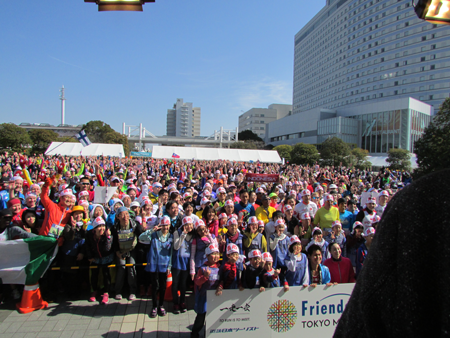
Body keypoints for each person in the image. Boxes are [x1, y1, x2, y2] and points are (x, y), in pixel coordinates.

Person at [140, 216, 173, 318]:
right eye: (163, 225)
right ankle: (154, 306)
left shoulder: (171, 237)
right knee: (155, 286)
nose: (165, 228)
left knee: (163, 286)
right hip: (154, 265)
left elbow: (171, 253)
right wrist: (150, 231)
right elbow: (141, 238)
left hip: (164, 265)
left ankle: (161, 305)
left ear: (169, 226)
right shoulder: (154, 235)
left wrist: (169, 266)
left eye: (167, 225)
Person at [191, 243, 221, 338]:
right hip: (204, 298)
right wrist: (205, 277)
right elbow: (197, 282)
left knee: (212, 317)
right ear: (207, 256)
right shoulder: (203, 268)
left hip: (215, 297)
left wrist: (220, 286)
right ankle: (194, 334)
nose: (216, 256)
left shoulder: (220, 268)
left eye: (217, 254)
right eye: (213, 254)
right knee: (201, 318)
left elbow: (222, 280)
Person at [84, 216, 113, 304]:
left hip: (106, 256)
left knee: (106, 274)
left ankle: (106, 292)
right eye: (99, 226)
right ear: (95, 228)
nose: (102, 228)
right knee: (94, 274)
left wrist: (108, 238)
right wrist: (90, 257)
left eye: (103, 226)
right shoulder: (89, 234)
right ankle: (94, 291)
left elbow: (108, 249)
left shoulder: (107, 235)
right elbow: (87, 246)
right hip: (95, 257)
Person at [112, 206, 138, 301]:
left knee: (131, 268)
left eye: (126, 214)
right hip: (121, 251)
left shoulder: (134, 224)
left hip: (131, 250)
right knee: (121, 268)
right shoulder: (115, 227)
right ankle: (118, 291)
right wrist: (117, 252)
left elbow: (140, 234)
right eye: (122, 214)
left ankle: (132, 291)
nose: (125, 216)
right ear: (118, 216)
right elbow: (114, 241)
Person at [172, 216, 194, 314]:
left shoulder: (193, 235)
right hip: (177, 261)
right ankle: (175, 302)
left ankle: (182, 301)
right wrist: (183, 235)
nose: (189, 227)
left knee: (183, 283)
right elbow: (176, 247)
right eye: (187, 225)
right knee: (175, 283)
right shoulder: (177, 232)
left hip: (187, 262)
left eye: (190, 224)